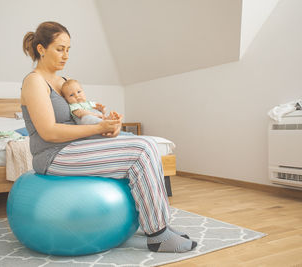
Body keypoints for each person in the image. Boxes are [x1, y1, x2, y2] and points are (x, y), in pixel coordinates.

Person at [21, 21, 197, 253]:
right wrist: (96, 129)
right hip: (53, 155)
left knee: (147, 142)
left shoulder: (64, 83)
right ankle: (158, 235)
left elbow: (81, 116)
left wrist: (108, 127)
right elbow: (49, 132)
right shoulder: (34, 82)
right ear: (41, 49)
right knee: (141, 149)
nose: (65, 56)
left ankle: (160, 224)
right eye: (59, 49)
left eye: (68, 50)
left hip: (76, 146)